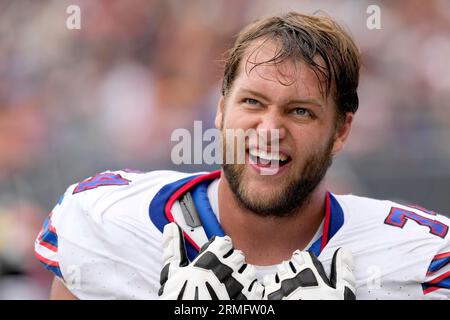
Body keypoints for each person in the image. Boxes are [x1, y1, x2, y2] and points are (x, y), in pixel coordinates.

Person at [35, 12, 450, 300]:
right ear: (220, 109)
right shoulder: (104, 222)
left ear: (341, 130)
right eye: (252, 102)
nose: (269, 130)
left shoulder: (421, 259)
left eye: (300, 111)